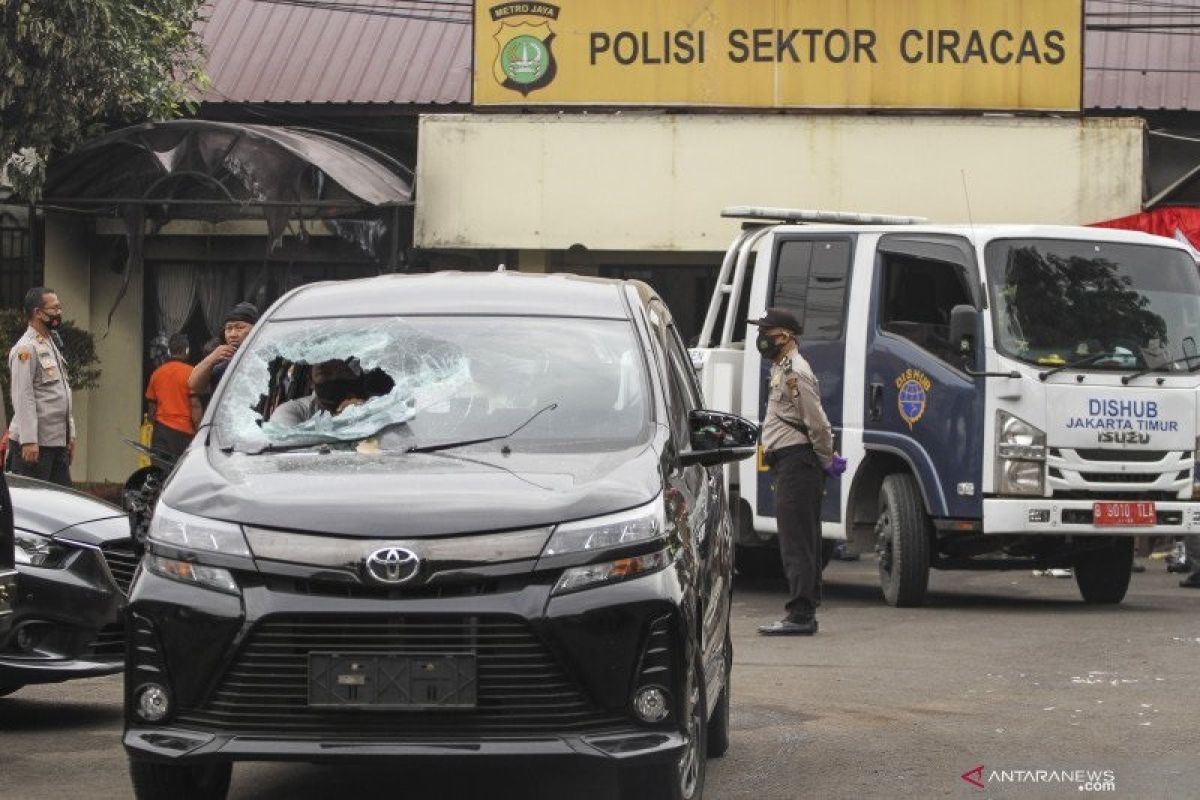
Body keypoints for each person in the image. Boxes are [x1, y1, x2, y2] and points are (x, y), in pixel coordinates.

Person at [751, 307, 840, 636]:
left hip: (797, 462)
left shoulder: (794, 372)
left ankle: (801, 614)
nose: (761, 339)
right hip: (793, 461)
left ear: (785, 336)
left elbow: (816, 421)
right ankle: (804, 611)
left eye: (767, 333)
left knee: (796, 540)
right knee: (801, 536)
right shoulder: (781, 368)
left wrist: (825, 458)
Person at [6, 287, 75, 486]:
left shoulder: (50, 343)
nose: (59, 313)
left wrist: (70, 435)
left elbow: (62, 393)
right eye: (54, 309)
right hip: (35, 446)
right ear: (38, 313)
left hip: (56, 442)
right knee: (33, 506)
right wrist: (28, 440)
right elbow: (23, 395)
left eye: (60, 308)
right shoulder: (25, 348)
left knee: (61, 504)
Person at [187, 302, 258, 397]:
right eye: (229, 328)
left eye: (240, 328)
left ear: (256, 329)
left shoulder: (266, 357)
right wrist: (211, 359)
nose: (233, 334)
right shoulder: (222, 362)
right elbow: (194, 385)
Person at [143, 334, 196, 460]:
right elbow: (196, 405)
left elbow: (151, 411)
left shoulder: (157, 374)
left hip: (161, 433)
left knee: (160, 474)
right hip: (186, 433)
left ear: (168, 351)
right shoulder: (193, 373)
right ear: (187, 350)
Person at [269, 359, 368, 425]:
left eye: (339, 370)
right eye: (324, 373)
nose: (333, 375)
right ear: (312, 382)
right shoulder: (290, 412)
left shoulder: (374, 405)